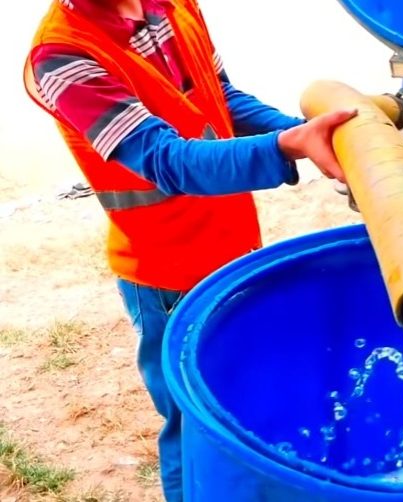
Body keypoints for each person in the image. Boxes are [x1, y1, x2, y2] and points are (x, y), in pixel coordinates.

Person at [22, 0, 355, 499]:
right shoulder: (62, 56)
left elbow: (220, 99)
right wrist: (287, 145)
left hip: (233, 249)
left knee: (243, 399)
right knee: (192, 425)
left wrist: (307, 133)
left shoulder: (174, 6)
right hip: (164, 274)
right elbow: (166, 160)